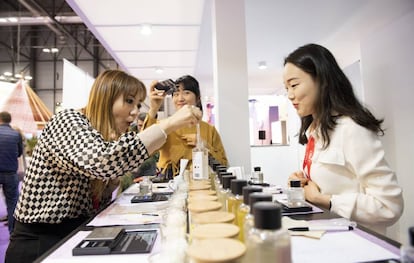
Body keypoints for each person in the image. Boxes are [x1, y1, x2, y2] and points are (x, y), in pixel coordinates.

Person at [5, 69, 202, 263]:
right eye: (129, 101)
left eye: (138, 104)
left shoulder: (102, 135)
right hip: (40, 242)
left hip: (73, 233)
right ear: (106, 97)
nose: (134, 112)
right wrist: (169, 123)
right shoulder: (67, 120)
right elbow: (102, 162)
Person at [284, 43, 403, 234]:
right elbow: (336, 182)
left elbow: (389, 206)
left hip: (360, 244)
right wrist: (303, 183)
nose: (289, 95)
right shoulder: (315, 130)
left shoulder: (351, 129)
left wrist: (325, 200)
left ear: (321, 81)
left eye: (294, 85)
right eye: (286, 88)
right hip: (328, 237)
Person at [143, 75, 228, 181]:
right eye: (176, 94)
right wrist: (153, 109)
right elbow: (144, 148)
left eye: (186, 93)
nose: (180, 98)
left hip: (202, 186)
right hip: (169, 185)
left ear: (197, 98)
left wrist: (204, 145)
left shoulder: (209, 130)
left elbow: (223, 164)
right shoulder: (165, 125)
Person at [0, 111, 23, 234]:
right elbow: (19, 152)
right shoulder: (15, 134)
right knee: (12, 202)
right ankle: (12, 231)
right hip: (10, 173)